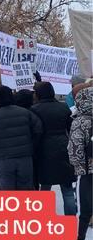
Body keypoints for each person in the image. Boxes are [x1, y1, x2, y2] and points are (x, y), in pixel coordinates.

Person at [0, 86, 42, 190]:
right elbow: (38, 130)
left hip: (4, 160)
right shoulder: (25, 113)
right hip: (25, 158)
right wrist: (31, 145)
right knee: (26, 190)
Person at [31, 82, 77, 215]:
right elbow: (71, 129)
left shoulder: (34, 110)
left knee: (44, 188)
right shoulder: (63, 107)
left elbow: (35, 132)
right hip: (64, 148)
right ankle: (70, 223)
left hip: (44, 151)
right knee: (67, 191)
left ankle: (43, 218)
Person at [62, 86, 93, 240]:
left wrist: (77, 167)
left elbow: (74, 150)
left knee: (84, 208)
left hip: (87, 172)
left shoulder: (80, 121)